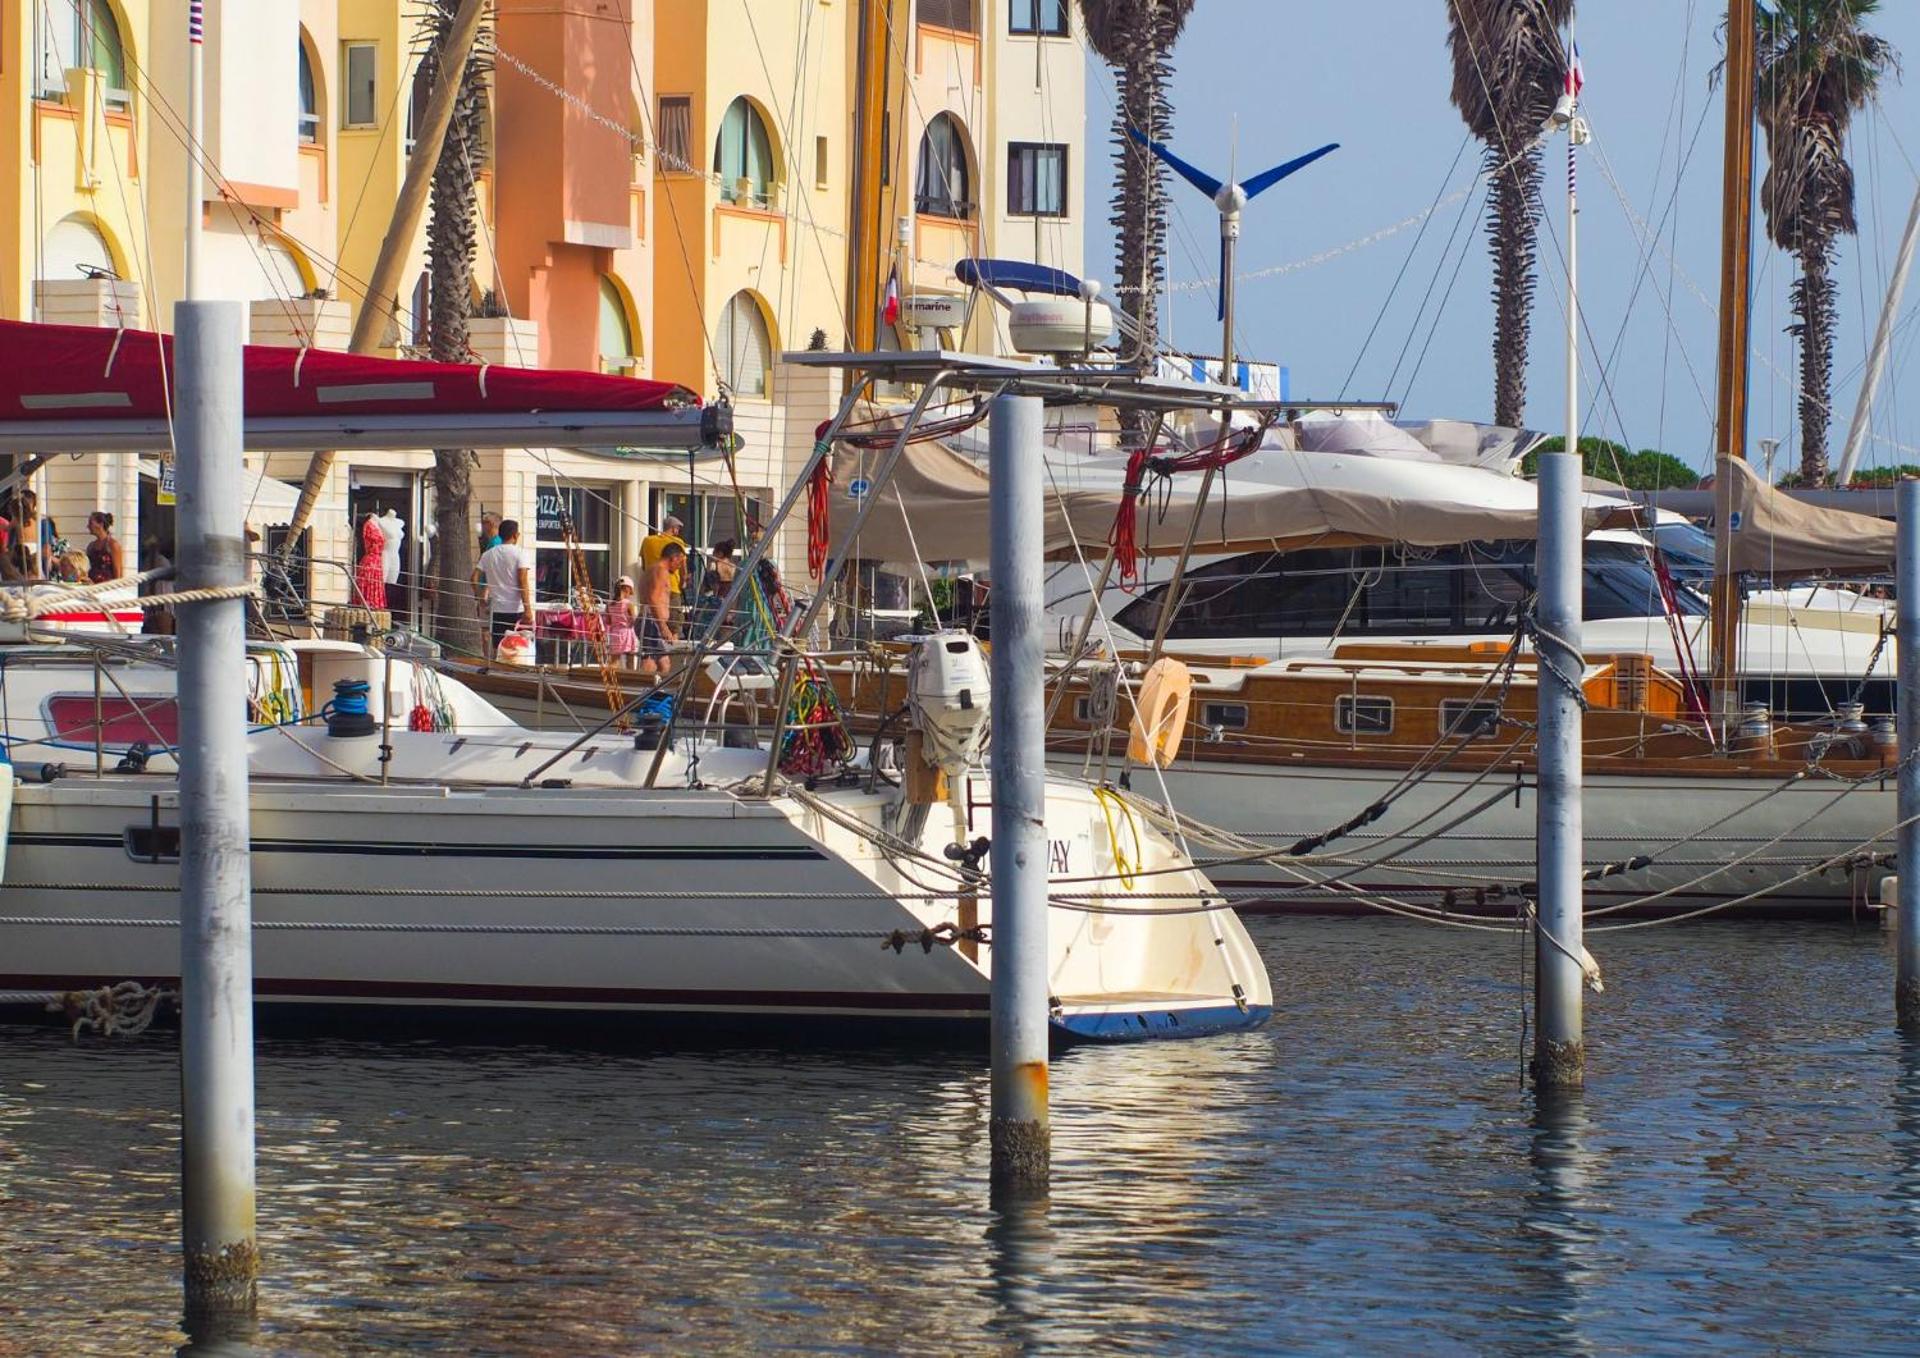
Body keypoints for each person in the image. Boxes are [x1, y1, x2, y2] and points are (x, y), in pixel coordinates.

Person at [472, 518, 535, 651]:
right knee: (517, 649)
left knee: (499, 647)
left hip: (497, 609)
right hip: (516, 610)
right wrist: (528, 609)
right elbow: (522, 580)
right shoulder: (520, 553)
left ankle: (497, 668)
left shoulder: (488, 555)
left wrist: (480, 598)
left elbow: (474, 578)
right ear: (515, 535)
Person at [638, 542, 684, 676]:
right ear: (673, 558)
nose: (679, 566)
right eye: (679, 562)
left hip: (649, 620)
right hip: (652, 621)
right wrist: (663, 626)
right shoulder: (661, 571)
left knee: (662, 662)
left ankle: (654, 690)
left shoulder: (651, 569)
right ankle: (644, 689)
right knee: (653, 662)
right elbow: (653, 598)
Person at [605, 575, 639, 669]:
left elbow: (608, 621)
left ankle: (611, 679)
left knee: (614, 660)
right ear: (627, 589)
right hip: (627, 632)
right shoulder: (628, 604)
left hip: (615, 633)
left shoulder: (609, 604)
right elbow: (633, 620)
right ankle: (630, 679)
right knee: (630, 658)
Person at [85, 510, 123, 582]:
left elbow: (118, 571)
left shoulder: (113, 545)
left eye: (91, 523)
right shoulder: (91, 546)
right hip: (91, 586)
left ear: (100, 524)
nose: (88, 526)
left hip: (107, 587)